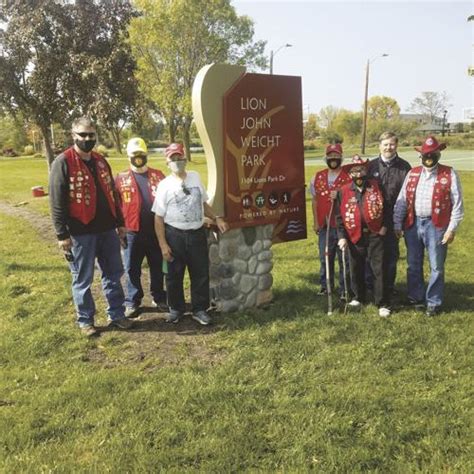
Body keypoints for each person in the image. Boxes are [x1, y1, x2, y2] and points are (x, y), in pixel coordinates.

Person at [49, 117, 134, 337]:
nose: (87, 139)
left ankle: (116, 314)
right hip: (80, 233)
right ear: (73, 135)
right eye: (83, 135)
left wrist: (120, 223)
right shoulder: (63, 162)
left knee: (113, 274)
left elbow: (112, 194)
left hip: (107, 229)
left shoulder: (100, 160)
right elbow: (56, 201)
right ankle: (85, 320)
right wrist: (62, 234)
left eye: (91, 135)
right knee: (83, 278)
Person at [152, 143, 229, 325]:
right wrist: (163, 245)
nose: (177, 161)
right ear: (167, 162)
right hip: (174, 235)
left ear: (185, 158)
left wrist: (217, 218)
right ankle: (176, 309)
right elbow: (158, 218)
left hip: (196, 234)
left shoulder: (195, 178)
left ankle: (199, 309)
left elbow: (203, 205)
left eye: (179, 157)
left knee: (200, 273)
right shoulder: (164, 185)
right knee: (174, 275)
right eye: (173, 158)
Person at [393, 136, 464, 316]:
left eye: (432, 153)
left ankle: (433, 301)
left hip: (436, 225)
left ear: (438, 154)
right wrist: (397, 223)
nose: (429, 157)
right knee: (413, 263)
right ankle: (415, 297)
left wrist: (451, 229)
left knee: (436, 265)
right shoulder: (413, 173)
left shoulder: (449, 174)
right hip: (413, 223)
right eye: (426, 154)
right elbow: (402, 200)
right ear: (421, 155)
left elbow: (457, 204)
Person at [115, 137, 167, 317]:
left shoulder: (158, 175)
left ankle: (159, 296)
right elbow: (115, 204)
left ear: (146, 154)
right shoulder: (121, 178)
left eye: (141, 154)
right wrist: (118, 227)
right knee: (131, 268)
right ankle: (133, 300)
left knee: (157, 265)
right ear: (128, 156)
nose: (138, 157)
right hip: (131, 231)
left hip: (155, 230)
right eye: (134, 154)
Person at [336, 155, 391, 317]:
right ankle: (358, 297)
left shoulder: (376, 186)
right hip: (354, 235)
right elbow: (339, 217)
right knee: (355, 267)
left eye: (361, 169)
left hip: (375, 234)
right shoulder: (344, 191)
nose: (358, 173)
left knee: (378, 268)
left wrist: (385, 227)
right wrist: (342, 236)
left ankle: (382, 302)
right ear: (350, 173)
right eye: (354, 170)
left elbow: (387, 208)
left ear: (366, 170)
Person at [366, 132, 411, 298]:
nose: (388, 148)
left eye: (391, 144)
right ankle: (370, 285)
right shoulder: (370, 166)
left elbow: (408, 195)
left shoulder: (405, 167)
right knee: (372, 254)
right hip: (373, 219)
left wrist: (402, 221)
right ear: (379, 146)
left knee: (391, 255)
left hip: (394, 219)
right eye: (385, 144)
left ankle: (389, 286)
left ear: (396, 146)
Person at [309, 143, 351, 298]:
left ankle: (344, 289)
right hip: (324, 225)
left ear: (341, 158)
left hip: (342, 226)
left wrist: (339, 195)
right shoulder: (317, 177)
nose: (333, 159)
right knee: (325, 257)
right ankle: (326, 286)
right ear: (326, 158)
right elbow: (314, 200)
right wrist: (315, 221)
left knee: (343, 259)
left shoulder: (348, 177)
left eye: (336, 156)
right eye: (330, 156)